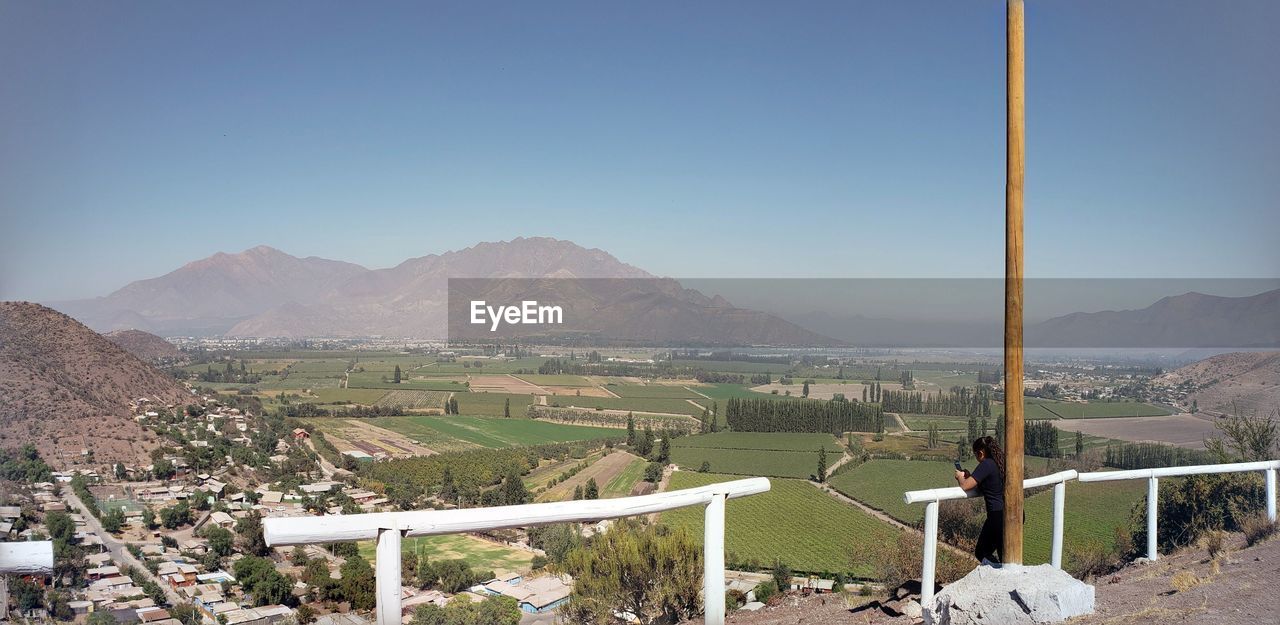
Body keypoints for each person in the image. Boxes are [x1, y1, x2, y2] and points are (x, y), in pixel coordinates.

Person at [955, 435, 1006, 564]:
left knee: (982, 552)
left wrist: (960, 476)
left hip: (997, 516)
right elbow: (988, 484)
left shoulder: (986, 464)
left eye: (976, 455)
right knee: (1005, 554)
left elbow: (965, 486)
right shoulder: (1000, 462)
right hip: (1010, 513)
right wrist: (971, 476)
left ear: (981, 453)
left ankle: (998, 575)